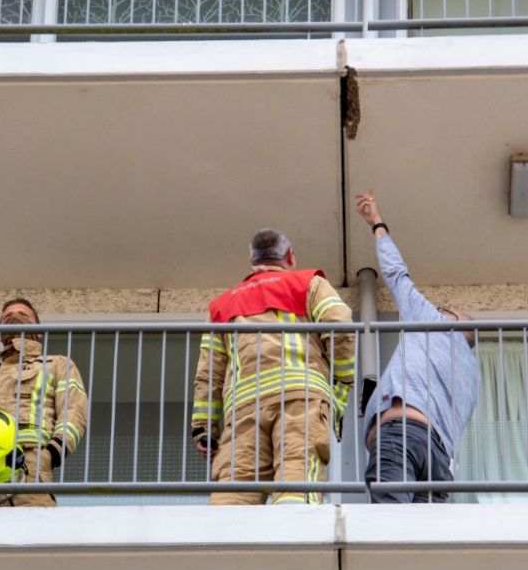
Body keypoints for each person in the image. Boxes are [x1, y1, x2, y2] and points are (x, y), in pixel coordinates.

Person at [191, 229, 356, 505]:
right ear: (289, 256)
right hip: (300, 399)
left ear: (252, 261)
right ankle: (295, 541)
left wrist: (204, 428)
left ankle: (225, 545)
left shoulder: (221, 306)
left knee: (234, 490)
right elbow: (340, 329)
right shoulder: (309, 284)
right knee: (296, 476)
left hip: (243, 410)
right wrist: (340, 385)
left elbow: (209, 372)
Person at [355, 191, 479, 503]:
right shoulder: (470, 375)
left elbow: (397, 275)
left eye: (442, 309)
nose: (435, 309)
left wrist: (377, 224)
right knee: (422, 544)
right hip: (441, 463)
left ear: (450, 321)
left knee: (390, 526)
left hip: (401, 437)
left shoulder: (432, 322)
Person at [0, 298, 88, 508]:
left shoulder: (57, 364)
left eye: (24, 316)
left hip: (27, 461)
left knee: (31, 531)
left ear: (39, 331)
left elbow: (74, 414)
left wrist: (50, 454)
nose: (15, 319)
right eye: (7, 318)